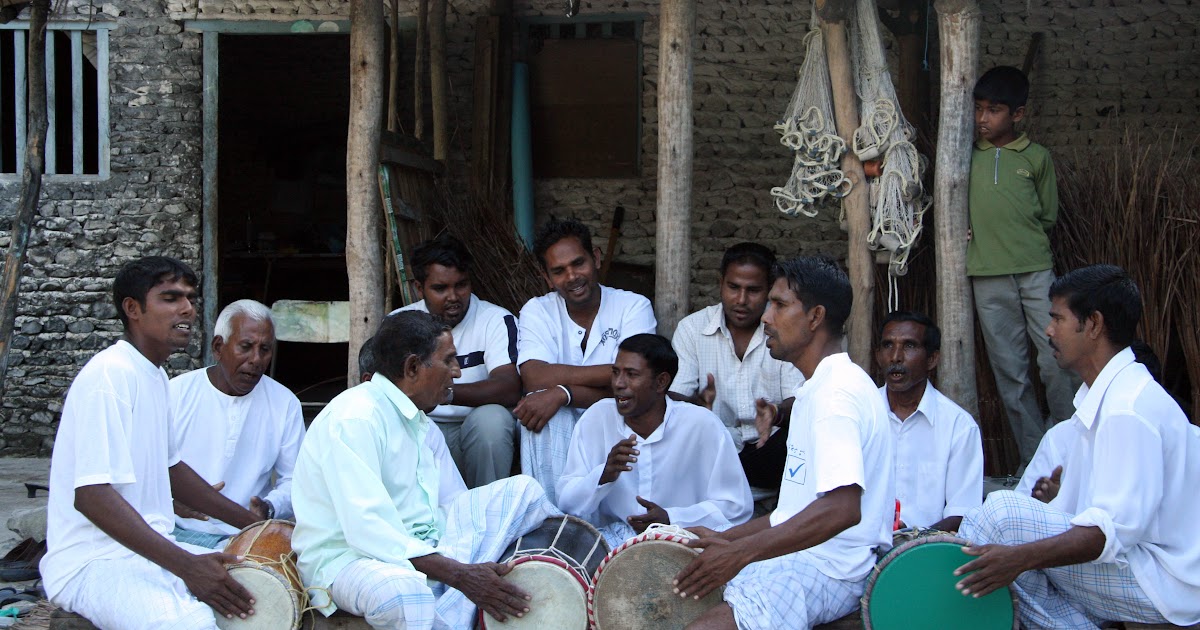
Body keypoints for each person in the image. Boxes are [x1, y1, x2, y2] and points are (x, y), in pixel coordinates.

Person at [955, 265, 1200, 628]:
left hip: (1165, 584)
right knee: (996, 532)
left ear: (1094, 324)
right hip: (1140, 566)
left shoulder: (1126, 409)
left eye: (1057, 318)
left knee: (1001, 517)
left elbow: (1107, 534)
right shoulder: (1110, 399)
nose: (1049, 330)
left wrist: (1018, 558)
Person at [292, 311, 561, 629]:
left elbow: (456, 505)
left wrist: (462, 554)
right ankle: (457, 606)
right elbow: (367, 531)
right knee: (405, 595)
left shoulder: (418, 420)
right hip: (349, 560)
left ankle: (453, 606)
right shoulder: (355, 417)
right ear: (413, 368)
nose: (458, 373)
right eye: (448, 361)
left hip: (424, 545)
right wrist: (461, 574)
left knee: (524, 492)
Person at [39, 256, 262, 629]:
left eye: (190, 298)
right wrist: (187, 567)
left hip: (148, 551)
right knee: (191, 624)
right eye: (171, 298)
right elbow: (91, 495)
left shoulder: (155, 376)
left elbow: (171, 469)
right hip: (93, 561)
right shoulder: (110, 374)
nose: (188, 309)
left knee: (262, 578)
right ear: (133, 309)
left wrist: (256, 528)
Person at [674, 256, 894, 630]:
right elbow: (789, 515)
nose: (765, 317)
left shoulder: (835, 396)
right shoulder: (816, 390)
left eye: (779, 304)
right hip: (807, 559)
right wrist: (725, 540)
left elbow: (842, 509)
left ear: (815, 316)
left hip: (832, 569)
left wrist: (739, 554)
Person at [968, 65, 1079, 470]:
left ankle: (1068, 456)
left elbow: (1047, 215)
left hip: (1035, 271)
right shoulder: (964, 158)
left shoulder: (1036, 158)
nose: (983, 118)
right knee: (1011, 374)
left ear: (1017, 114)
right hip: (987, 274)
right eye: (979, 109)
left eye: (993, 110)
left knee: (1055, 362)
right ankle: (1034, 462)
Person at [557, 334, 754, 547]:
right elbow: (566, 503)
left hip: (684, 544)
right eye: (615, 373)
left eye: (631, 375)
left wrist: (671, 519)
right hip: (610, 546)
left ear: (661, 382)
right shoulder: (596, 419)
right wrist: (603, 475)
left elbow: (736, 508)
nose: (618, 384)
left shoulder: (702, 425)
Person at [514, 218, 656, 502]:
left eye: (579, 263)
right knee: (540, 411)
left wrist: (563, 393)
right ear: (546, 277)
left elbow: (634, 381)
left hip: (619, 417)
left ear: (597, 258)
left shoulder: (633, 306)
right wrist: (605, 378)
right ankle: (554, 524)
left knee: (549, 401)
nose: (572, 277)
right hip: (563, 420)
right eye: (559, 271)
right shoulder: (537, 310)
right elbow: (534, 377)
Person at [170, 299, 305, 548]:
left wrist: (270, 506)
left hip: (247, 536)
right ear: (218, 347)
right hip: (175, 531)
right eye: (246, 346)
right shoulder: (175, 394)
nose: (256, 359)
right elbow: (146, 470)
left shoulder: (284, 403)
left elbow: (296, 480)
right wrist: (170, 501)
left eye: (265, 349)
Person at [669, 242, 804, 489]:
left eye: (753, 290)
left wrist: (775, 412)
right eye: (733, 287)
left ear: (770, 290)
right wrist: (694, 406)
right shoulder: (692, 329)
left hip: (772, 451)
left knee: (803, 436)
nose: (741, 300)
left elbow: (801, 398)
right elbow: (676, 396)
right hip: (715, 449)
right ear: (721, 283)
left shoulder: (786, 330)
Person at [393, 235, 521, 488]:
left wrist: (443, 393)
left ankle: (486, 517)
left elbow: (509, 387)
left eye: (461, 285)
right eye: (440, 288)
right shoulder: (399, 325)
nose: (453, 296)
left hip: (473, 430)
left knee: (492, 420)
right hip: (422, 428)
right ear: (419, 288)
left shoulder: (495, 319)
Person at [875, 311, 982, 532]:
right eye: (888, 345)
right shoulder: (862, 414)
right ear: (878, 355)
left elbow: (962, 513)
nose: (895, 356)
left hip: (926, 555)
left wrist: (912, 541)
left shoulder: (958, 426)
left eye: (909, 346)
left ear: (932, 359)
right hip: (859, 550)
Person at [357, 336, 468, 507]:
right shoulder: (357, 424)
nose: (456, 372)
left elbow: (454, 503)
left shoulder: (428, 429)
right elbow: (366, 517)